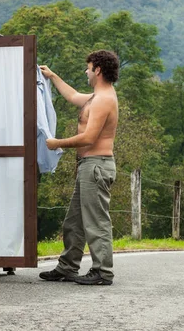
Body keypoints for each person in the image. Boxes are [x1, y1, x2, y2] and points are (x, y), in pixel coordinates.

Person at [38, 50, 119, 285]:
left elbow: (89, 138)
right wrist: (52, 76)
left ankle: (102, 272)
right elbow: (72, 95)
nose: (86, 71)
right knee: (74, 222)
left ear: (98, 70)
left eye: (88, 67)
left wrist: (57, 144)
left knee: (96, 222)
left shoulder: (104, 100)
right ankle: (67, 267)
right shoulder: (97, 96)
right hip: (89, 167)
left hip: (96, 166)